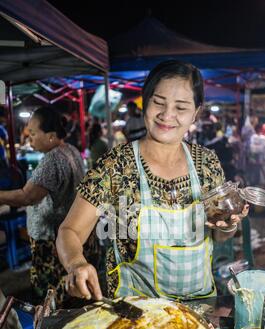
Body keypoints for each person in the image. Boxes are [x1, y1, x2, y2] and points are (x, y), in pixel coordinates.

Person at [57, 60, 249, 302]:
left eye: (181, 107)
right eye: (158, 102)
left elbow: (220, 235)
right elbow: (70, 230)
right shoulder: (118, 164)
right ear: (145, 100)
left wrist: (228, 225)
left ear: (196, 113)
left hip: (199, 308)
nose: (167, 115)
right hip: (135, 312)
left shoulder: (207, 164)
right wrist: (76, 263)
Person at [0, 106, 91, 305]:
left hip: (51, 238)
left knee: (52, 292)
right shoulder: (70, 149)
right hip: (67, 232)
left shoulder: (52, 160)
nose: (29, 138)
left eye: (33, 133)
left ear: (50, 136)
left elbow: (26, 197)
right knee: (68, 289)